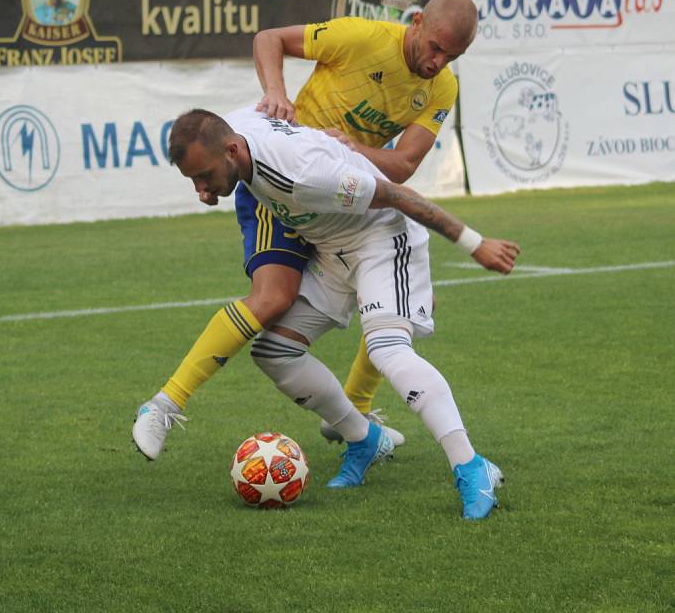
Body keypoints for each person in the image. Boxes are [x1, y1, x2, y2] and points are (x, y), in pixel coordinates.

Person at [133, 106, 520, 519]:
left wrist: (475, 243)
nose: (202, 188)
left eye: (204, 176)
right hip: (332, 253)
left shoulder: (304, 174)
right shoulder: (234, 131)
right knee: (274, 352)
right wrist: (216, 177)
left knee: (388, 350)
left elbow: (397, 195)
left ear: (231, 151)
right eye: (194, 179)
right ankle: (364, 439)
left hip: (381, 241)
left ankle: (472, 466)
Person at [244, 0, 480, 446]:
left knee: (400, 316)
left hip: (353, 206)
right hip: (293, 187)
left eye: (452, 55)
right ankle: (168, 401)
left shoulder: (443, 85)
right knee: (270, 307)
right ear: (416, 23)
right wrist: (276, 92)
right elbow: (269, 39)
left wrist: (352, 149)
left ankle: (355, 417)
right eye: (435, 47)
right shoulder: (362, 37)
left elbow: (406, 163)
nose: (438, 62)